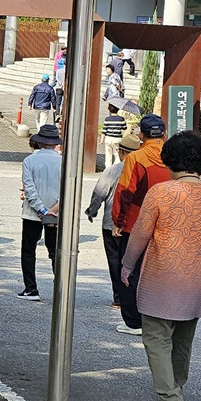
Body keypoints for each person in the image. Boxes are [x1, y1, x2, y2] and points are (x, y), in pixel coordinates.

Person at [120, 130, 201, 401]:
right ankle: (176, 389)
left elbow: (141, 233)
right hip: (198, 278)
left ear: (169, 161)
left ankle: (169, 399)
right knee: (183, 338)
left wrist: (127, 264)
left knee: (156, 336)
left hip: (161, 275)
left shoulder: (161, 192)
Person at [112, 113, 170, 335]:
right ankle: (159, 317)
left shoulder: (136, 158)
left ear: (141, 135)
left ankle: (134, 321)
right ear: (164, 134)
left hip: (136, 222)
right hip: (167, 222)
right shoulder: (172, 155)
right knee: (158, 271)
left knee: (129, 269)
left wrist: (118, 220)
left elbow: (125, 191)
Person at [88, 130, 142, 308]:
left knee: (114, 260)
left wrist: (92, 211)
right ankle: (133, 297)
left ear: (121, 151)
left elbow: (100, 192)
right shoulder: (143, 170)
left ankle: (119, 298)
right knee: (134, 261)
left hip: (111, 223)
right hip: (136, 225)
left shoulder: (113, 170)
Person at [17, 123, 63, 300]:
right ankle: (60, 287)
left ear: (39, 141)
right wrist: (53, 209)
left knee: (28, 250)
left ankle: (31, 288)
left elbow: (29, 189)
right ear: (55, 143)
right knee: (55, 252)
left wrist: (42, 209)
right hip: (56, 213)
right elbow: (67, 190)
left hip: (32, 213)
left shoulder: (29, 161)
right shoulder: (63, 162)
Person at [101, 103, 128, 168]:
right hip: (117, 139)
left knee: (108, 155)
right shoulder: (121, 119)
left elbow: (104, 130)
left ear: (109, 109)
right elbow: (124, 128)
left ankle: (108, 169)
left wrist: (102, 139)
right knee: (117, 155)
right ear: (118, 109)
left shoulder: (107, 119)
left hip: (108, 139)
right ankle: (115, 168)